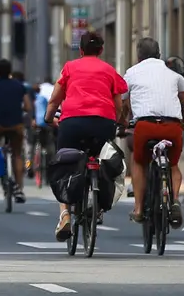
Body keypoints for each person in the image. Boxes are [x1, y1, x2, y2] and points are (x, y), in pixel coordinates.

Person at [44, 31, 129, 242]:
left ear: (80, 50)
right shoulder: (109, 70)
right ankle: (97, 203)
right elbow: (119, 105)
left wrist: (48, 119)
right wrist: (120, 123)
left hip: (72, 123)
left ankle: (64, 215)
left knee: (65, 165)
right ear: (101, 50)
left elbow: (54, 100)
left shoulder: (70, 68)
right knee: (102, 160)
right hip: (103, 124)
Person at [123, 38, 184, 226]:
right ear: (159, 54)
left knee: (139, 161)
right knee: (174, 165)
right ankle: (175, 200)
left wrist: (124, 121)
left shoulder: (131, 73)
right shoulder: (174, 72)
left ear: (138, 56)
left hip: (145, 127)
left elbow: (122, 101)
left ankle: (138, 208)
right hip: (172, 127)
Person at [0, 59, 33, 203]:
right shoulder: (19, 86)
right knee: (17, 154)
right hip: (16, 125)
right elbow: (28, 106)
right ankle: (19, 188)